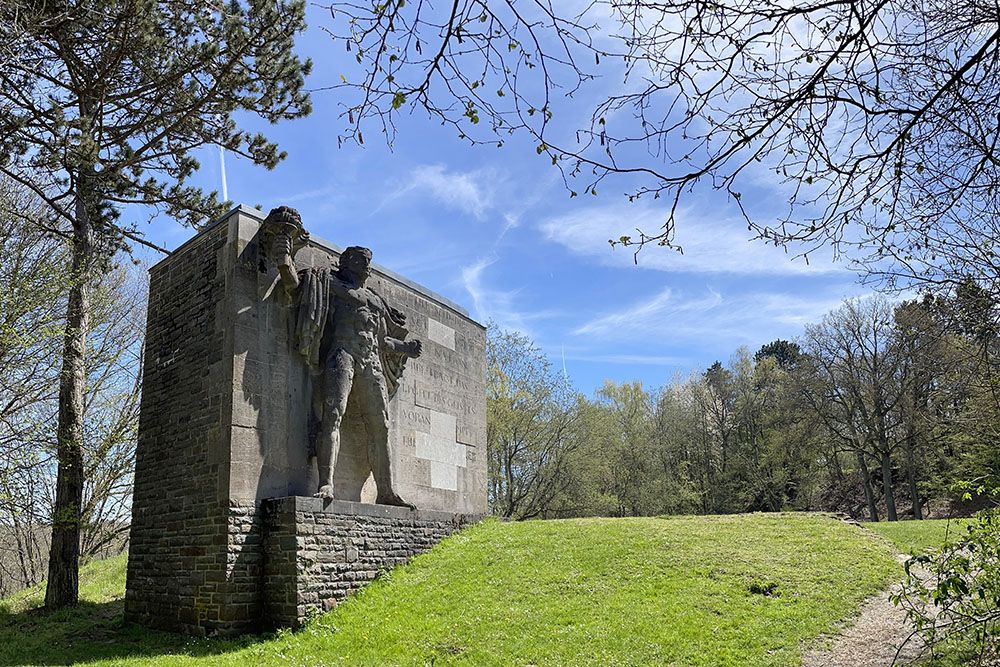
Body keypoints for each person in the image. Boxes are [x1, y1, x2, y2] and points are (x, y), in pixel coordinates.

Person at [263, 206, 421, 507]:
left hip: (371, 361)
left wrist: (406, 349)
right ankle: (326, 484)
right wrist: (284, 256)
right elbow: (294, 287)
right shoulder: (329, 283)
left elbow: (381, 339)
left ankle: (386, 491)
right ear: (347, 261)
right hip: (342, 355)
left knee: (381, 426)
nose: (368, 264)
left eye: (369, 260)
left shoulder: (375, 300)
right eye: (362, 259)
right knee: (333, 416)